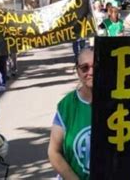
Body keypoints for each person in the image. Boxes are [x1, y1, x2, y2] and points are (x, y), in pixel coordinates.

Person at [48, 47, 94, 180]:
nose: (91, 72)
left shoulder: (118, 101)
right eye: (84, 67)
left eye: (96, 65)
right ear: (78, 71)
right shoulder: (67, 106)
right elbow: (54, 152)